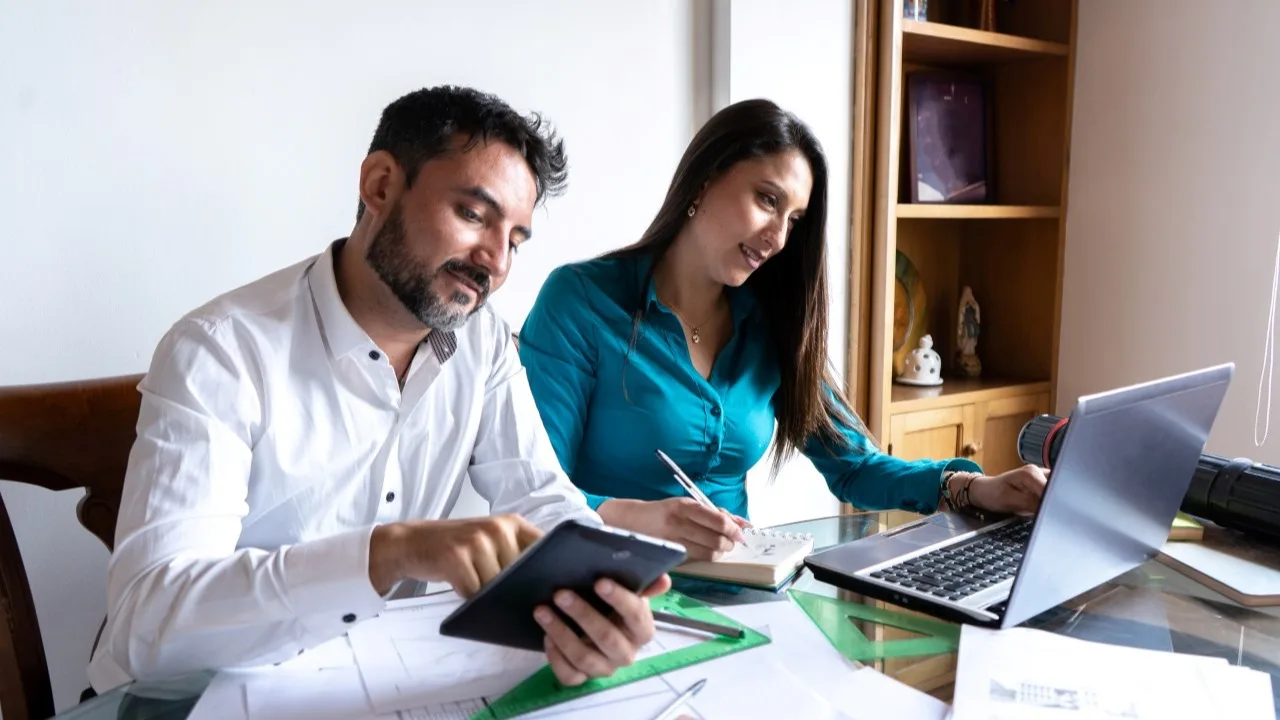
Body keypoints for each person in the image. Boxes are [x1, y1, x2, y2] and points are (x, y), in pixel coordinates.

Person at [88, 85, 669, 695]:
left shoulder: (484, 343)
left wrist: (596, 596)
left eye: (515, 240)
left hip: (371, 684)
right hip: (185, 700)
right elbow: (149, 623)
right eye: (474, 215)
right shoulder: (220, 350)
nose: (495, 262)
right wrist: (387, 554)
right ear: (381, 186)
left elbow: (542, 499)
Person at [517, 98, 1048, 562]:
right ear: (704, 180)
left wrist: (972, 488)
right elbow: (532, 494)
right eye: (768, 200)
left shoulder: (772, 324)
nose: (777, 237)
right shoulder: (580, 302)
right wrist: (640, 517)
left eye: (794, 220)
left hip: (745, 595)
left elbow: (855, 468)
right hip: (609, 590)